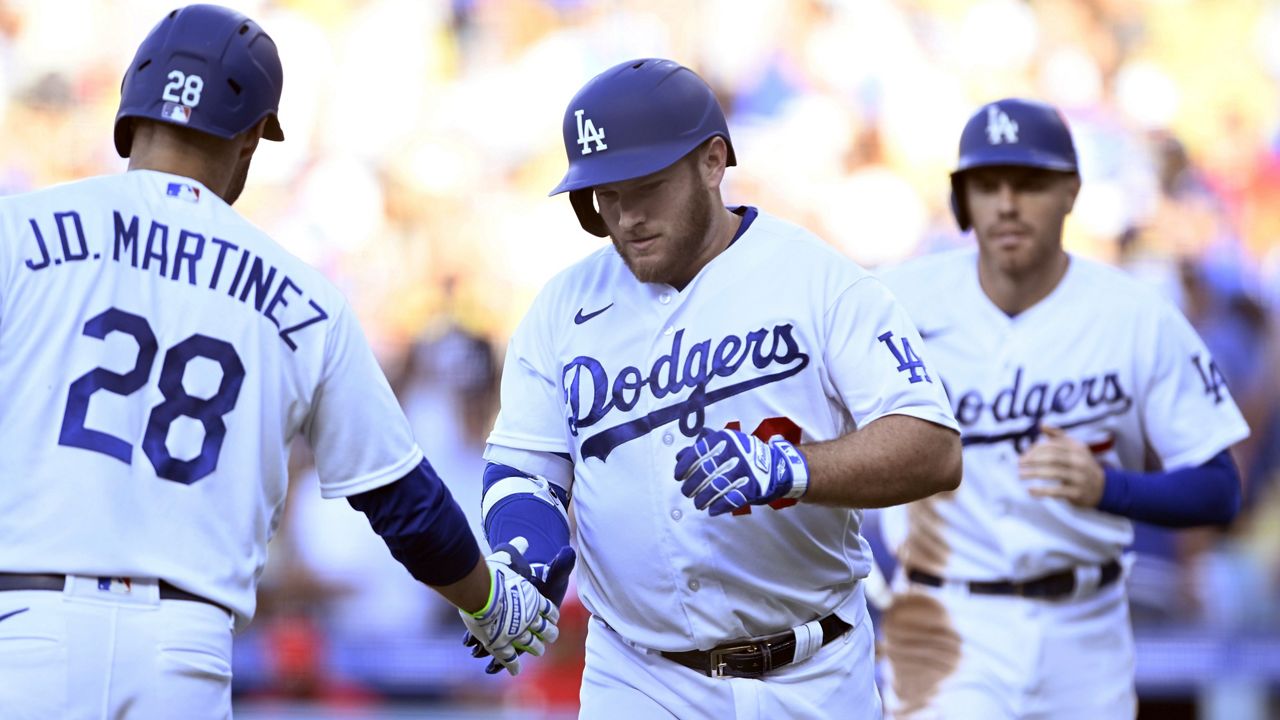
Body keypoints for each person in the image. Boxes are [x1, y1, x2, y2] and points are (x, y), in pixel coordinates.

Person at [0, 5, 557, 718]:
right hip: (183, 651)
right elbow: (402, 500)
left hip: (25, 628)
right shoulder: (304, 296)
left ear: (129, 109)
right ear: (250, 137)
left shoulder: (20, 230)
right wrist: (488, 603)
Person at [475, 57, 962, 719]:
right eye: (604, 194)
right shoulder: (562, 309)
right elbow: (524, 467)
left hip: (814, 674)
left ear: (712, 161)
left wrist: (792, 467)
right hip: (639, 677)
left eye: (645, 186)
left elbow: (933, 447)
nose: (624, 215)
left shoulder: (818, 280)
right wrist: (522, 559)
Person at [876, 98, 1250, 719]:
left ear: (1071, 192)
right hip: (941, 616)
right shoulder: (895, 304)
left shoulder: (1135, 316)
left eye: (1029, 184)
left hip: (1087, 624)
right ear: (961, 198)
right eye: (986, 185)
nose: (1006, 204)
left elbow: (1220, 489)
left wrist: (1112, 488)